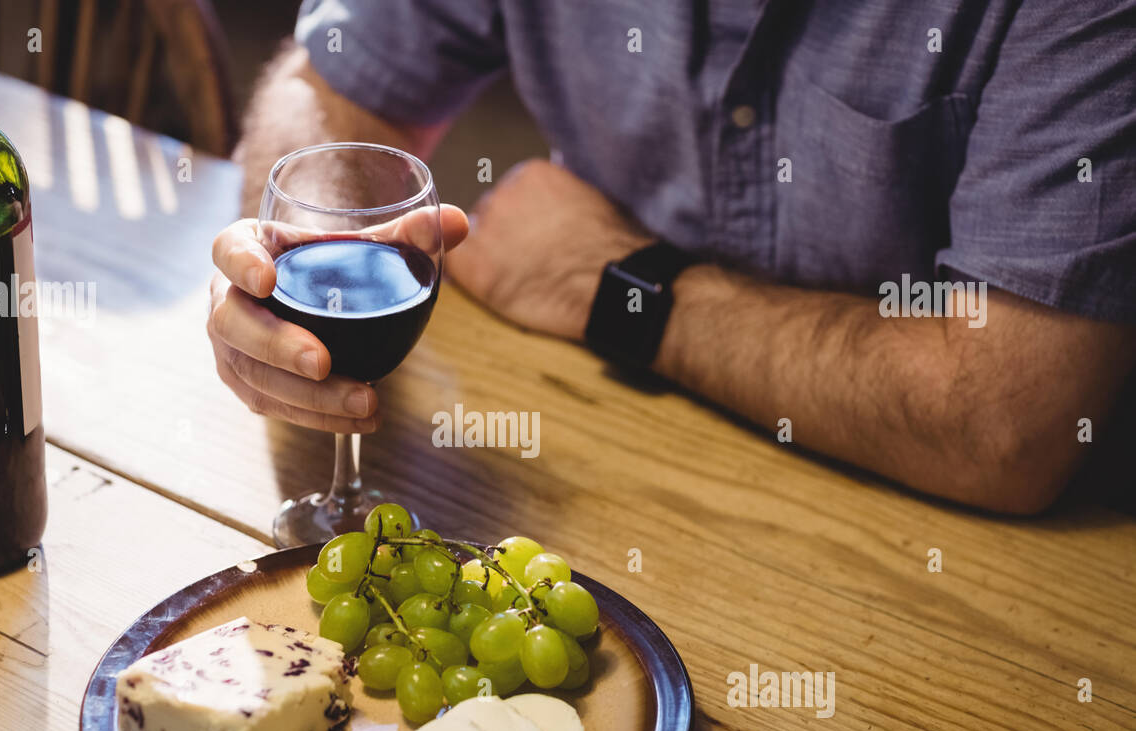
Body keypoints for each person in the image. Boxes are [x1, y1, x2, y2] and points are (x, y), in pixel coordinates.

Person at [208, 0, 1136, 514]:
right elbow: (328, 84)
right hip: (595, 479)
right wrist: (303, 254)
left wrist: (619, 287)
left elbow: (1009, 424)